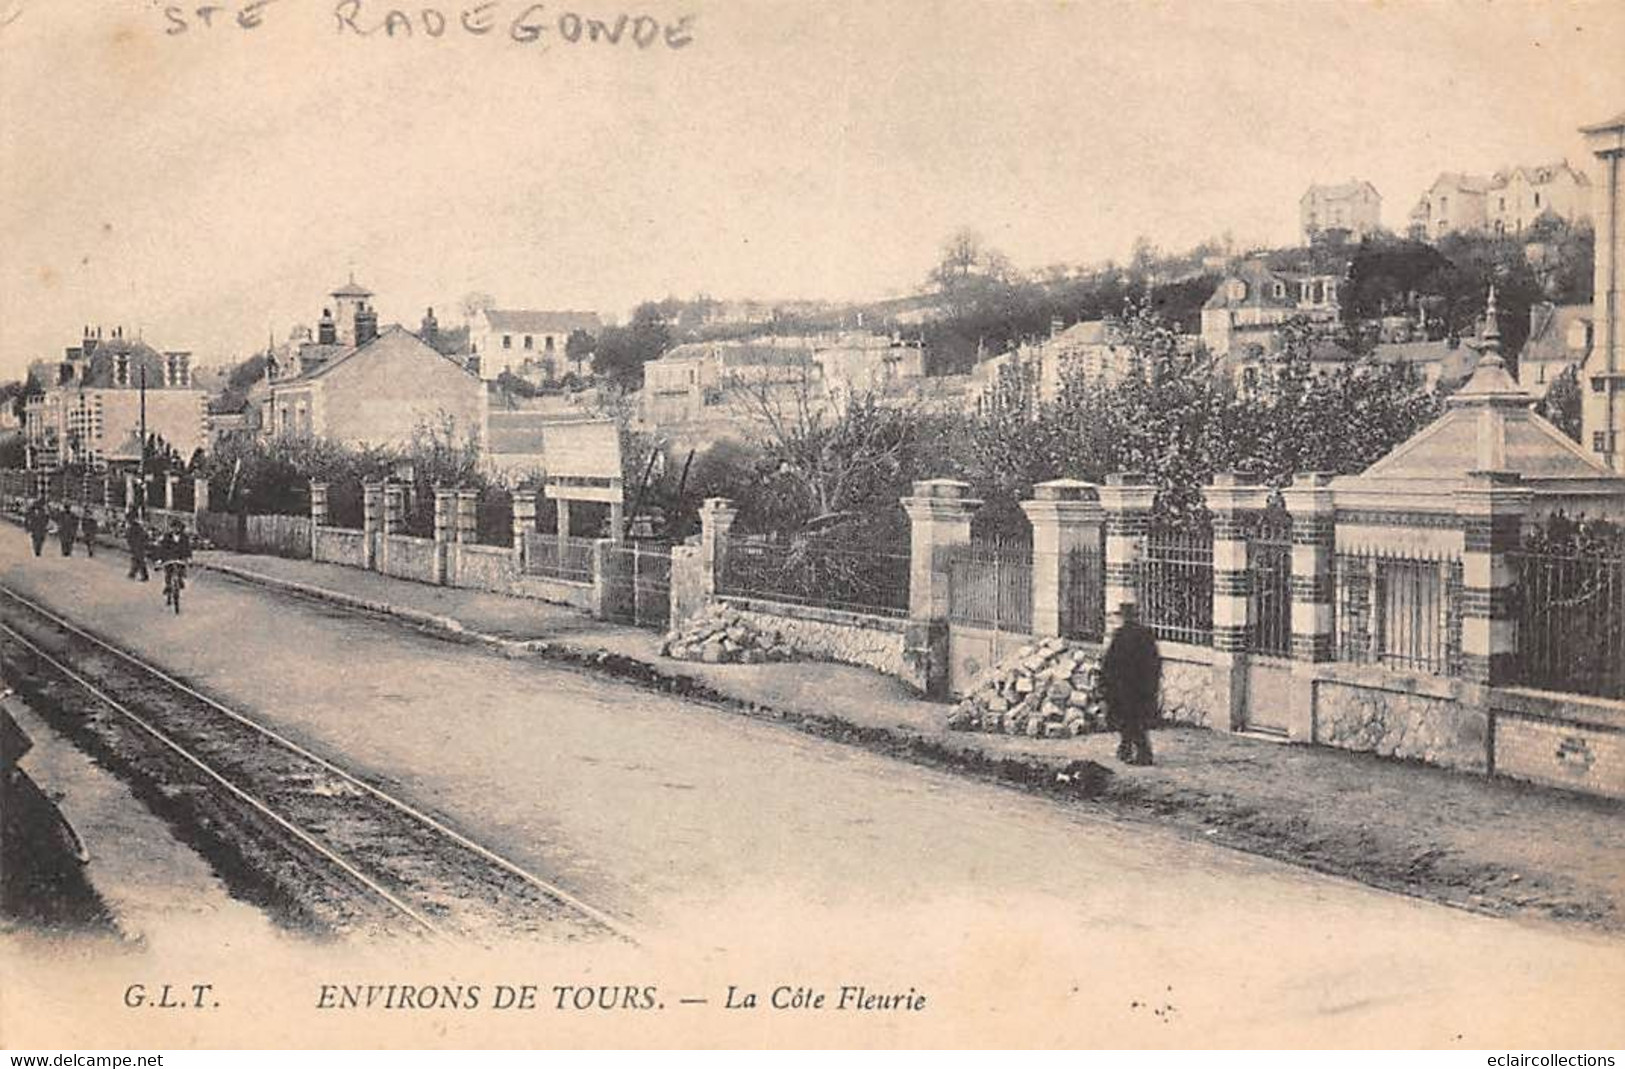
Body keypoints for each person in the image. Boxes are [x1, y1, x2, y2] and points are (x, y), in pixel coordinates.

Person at [1100, 601, 1161, 766]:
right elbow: (1155, 661)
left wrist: (1105, 683)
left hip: (1124, 686)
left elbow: (1110, 662)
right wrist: (1152, 684)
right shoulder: (1146, 634)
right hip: (1141, 686)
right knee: (1134, 720)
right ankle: (1126, 748)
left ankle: (1143, 754)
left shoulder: (1120, 635)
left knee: (1129, 721)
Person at [154, 520, 192, 605]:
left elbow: (188, 548)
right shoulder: (167, 537)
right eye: (174, 527)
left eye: (178, 527)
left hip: (180, 558)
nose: (176, 529)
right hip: (169, 558)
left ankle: (180, 580)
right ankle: (168, 586)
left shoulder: (184, 537)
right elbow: (162, 548)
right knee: (168, 572)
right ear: (171, 528)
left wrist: (189, 558)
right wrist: (159, 560)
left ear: (180, 528)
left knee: (181, 570)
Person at [125, 510, 150, 582]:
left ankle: (143, 575)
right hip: (135, 546)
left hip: (138, 546)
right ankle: (133, 573)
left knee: (139, 560)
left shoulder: (136, 527)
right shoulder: (133, 526)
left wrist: (140, 544)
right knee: (136, 559)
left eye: (129, 519)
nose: (128, 521)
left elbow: (142, 536)